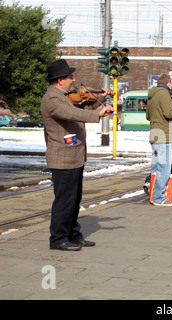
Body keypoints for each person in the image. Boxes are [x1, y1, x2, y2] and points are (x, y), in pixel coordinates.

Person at [41, 59, 114, 251]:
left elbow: (80, 110)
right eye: (70, 77)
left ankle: (73, 234)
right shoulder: (52, 99)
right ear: (60, 80)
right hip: (62, 158)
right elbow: (72, 114)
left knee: (74, 200)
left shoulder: (64, 96)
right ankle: (58, 238)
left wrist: (101, 103)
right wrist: (98, 114)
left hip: (73, 156)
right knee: (64, 200)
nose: (74, 80)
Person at [146, 73, 172, 206]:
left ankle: (153, 195)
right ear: (169, 83)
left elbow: (148, 116)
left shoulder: (151, 94)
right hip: (164, 135)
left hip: (154, 134)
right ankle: (159, 198)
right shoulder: (164, 93)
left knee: (155, 167)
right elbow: (168, 113)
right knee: (164, 168)